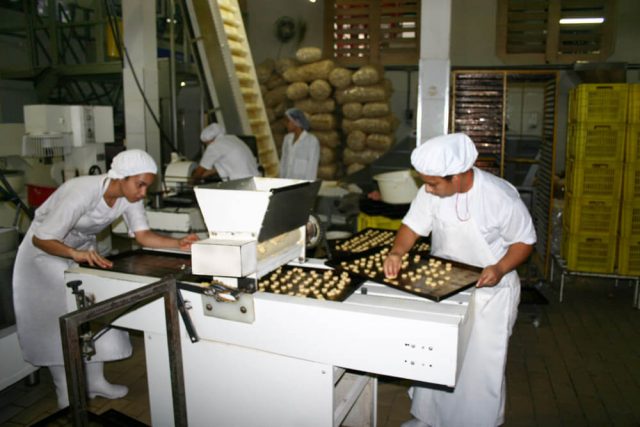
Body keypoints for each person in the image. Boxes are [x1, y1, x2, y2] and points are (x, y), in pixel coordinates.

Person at [12, 149, 199, 409]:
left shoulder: (129, 197)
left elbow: (143, 236)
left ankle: (96, 381)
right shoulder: (81, 191)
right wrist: (74, 254)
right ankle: (66, 390)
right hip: (44, 256)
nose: (143, 192)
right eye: (140, 184)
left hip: (81, 253)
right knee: (58, 320)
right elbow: (40, 238)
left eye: (147, 185)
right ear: (122, 177)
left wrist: (178, 243)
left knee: (93, 309)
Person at [383, 133, 536, 427]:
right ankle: (427, 420)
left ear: (458, 176)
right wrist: (397, 252)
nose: (427, 189)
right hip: (446, 286)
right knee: (435, 357)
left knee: (478, 373)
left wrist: (501, 267)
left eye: (434, 183)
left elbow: (524, 242)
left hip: (490, 294)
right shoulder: (430, 191)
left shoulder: (499, 197)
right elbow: (412, 226)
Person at [191, 122, 260, 183]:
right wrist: (204, 175)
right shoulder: (232, 138)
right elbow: (222, 167)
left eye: (206, 143)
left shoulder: (214, 146)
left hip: (241, 182)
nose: (206, 146)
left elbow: (200, 170)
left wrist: (190, 182)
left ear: (209, 140)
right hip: (255, 179)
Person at [279, 108, 320, 180]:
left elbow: (312, 168)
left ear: (296, 122)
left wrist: (308, 187)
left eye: (288, 121)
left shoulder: (311, 141)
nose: (285, 124)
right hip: (286, 183)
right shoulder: (287, 139)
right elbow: (283, 161)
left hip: (301, 185)